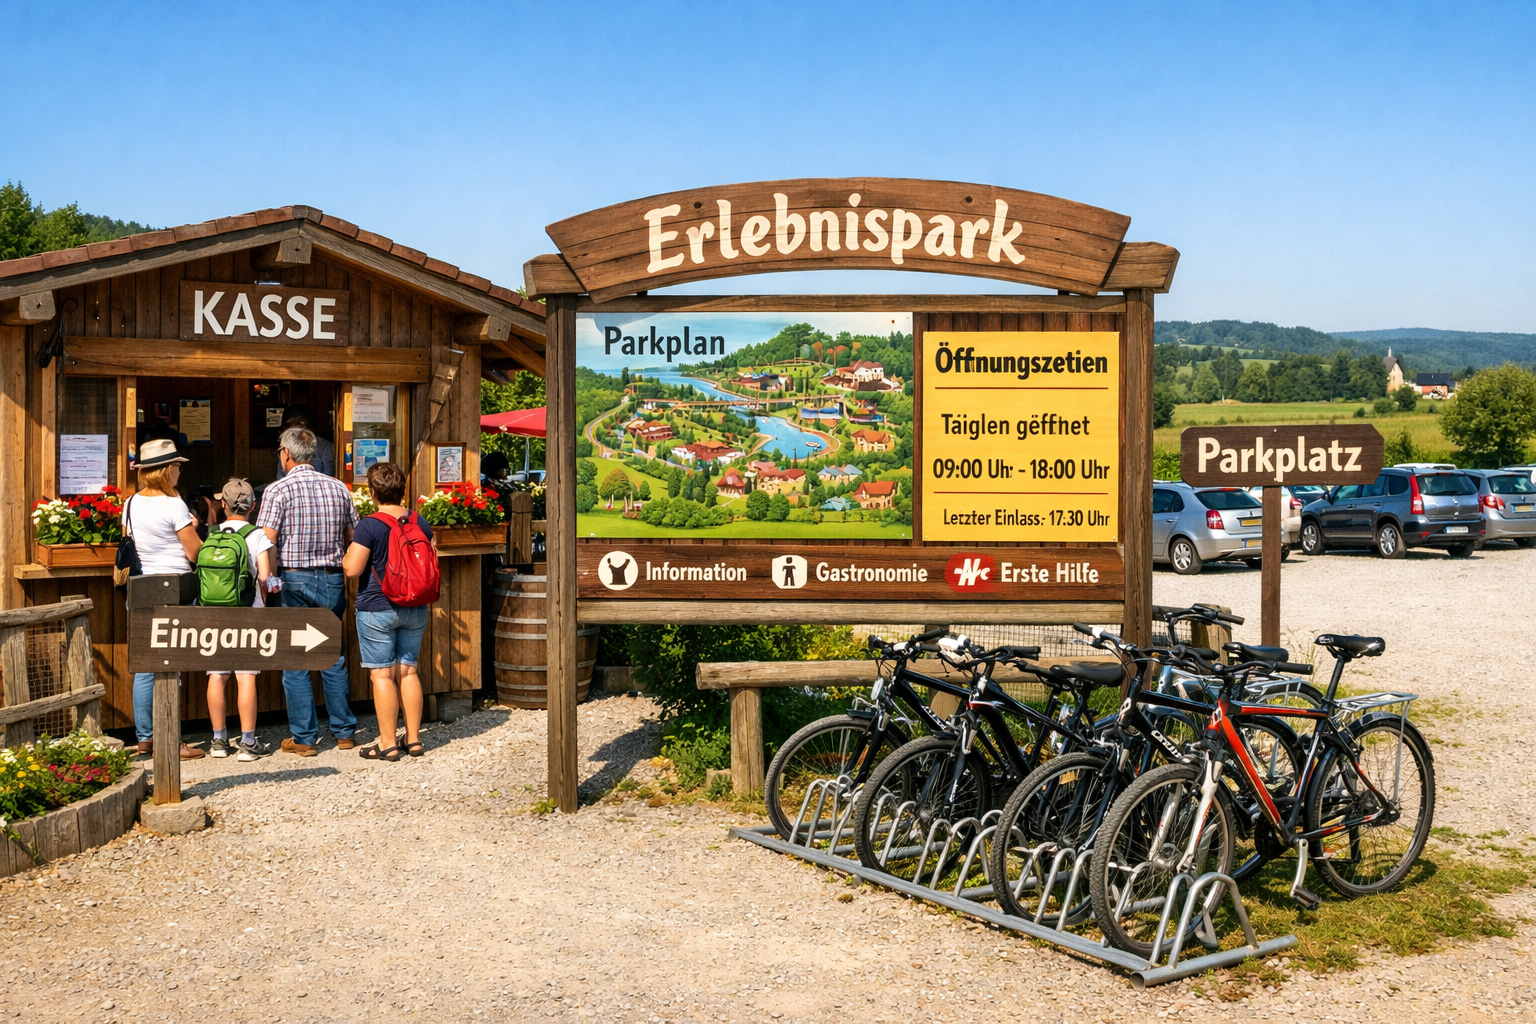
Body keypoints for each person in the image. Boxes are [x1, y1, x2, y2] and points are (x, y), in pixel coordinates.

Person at [257, 426, 358, 756]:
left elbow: (265, 541)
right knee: (333, 658)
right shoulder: (339, 489)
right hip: (331, 579)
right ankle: (344, 733)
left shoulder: (277, 491)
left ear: (286, 454)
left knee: (296, 661)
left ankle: (304, 739)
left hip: (295, 580)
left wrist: (266, 579)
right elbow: (350, 539)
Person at [343, 461, 433, 761]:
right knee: (408, 671)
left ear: (373, 493)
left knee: (382, 676)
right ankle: (415, 739)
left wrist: (346, 557)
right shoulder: (420, 522)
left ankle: (387, 743)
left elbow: (353, 569)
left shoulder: (369, 525)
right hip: (415, 606)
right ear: (402, 490)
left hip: (377, 608)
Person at [123, 438, 205, 761]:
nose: (180, 471)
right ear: (166, 470)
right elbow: (193, 550)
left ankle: (146, 738)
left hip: (141, 589)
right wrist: (195, 526)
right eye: (177, 467)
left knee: (145, 668)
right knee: (171, 668)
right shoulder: (175, 505)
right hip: (174, 589)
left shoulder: (130, 503)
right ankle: (169, 739)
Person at [204, 479, 278, 761]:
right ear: (253, 506)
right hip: (249, 611)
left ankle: (219, 741)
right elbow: (264, 576)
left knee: (218, 675)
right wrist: (262, 602)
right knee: (246, 676)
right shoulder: (257, 535)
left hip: (215, 611)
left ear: (223, 505)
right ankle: (248, 743)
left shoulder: (211, 533)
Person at [274, 405, 336, 477]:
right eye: (293, 427)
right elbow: (281, 478)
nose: (297, 431)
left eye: (301, 426)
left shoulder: (325, 448)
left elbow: (329, 476)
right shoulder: (285, 446)